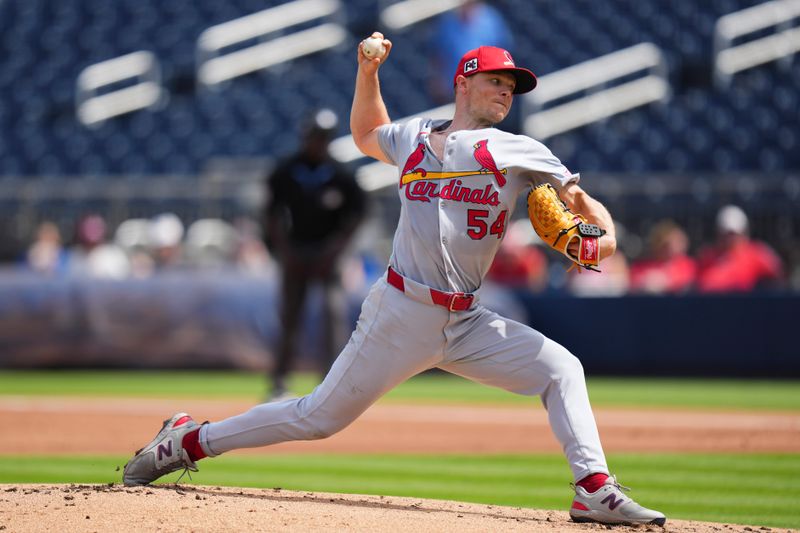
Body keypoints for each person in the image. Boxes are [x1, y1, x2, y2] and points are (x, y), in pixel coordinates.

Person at [122, 34, 666, 527]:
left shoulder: (521, 151)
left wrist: (598, 235)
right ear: (463, 83)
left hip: (468, 319)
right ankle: (188, 441)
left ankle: (593, 489)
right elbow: (363, 133)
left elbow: (585, 214)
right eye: (495, 81)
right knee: (317, 418)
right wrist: (367, 71)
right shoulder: (415, 136)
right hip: (402, 312)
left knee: (561, 368)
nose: (505, 92)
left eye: (511, 86)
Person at [263, 109, 367, 400]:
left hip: (328, 255)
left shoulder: (339, 173)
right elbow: (271, 214)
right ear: (305, 137)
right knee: (289, 318)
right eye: (315, 137)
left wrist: (335, 250)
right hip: (295, 251)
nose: (318, 144)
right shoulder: (287, 170)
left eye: (324, 139)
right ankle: (279, 382)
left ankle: (332, 382)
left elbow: (357, 214)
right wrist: (284, 251)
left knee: (333, 315)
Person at [428, 0, 513, 104]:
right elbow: (438, 55)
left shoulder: (491, 19)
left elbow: (503, 52)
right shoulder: (447, 22)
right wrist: (439, 81)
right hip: (455, 89)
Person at [696, 204, 783, 293]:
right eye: (726, 234)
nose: (729, 239)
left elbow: (777, 275)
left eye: (733, 234)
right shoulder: (707, 256)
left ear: (744, 233)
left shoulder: (756, 253)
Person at [629, 219, 696, 294]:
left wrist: (666, 280)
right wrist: (645, 281)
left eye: (676, 243)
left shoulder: (687, 264)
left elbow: (688, 282)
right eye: (665, 245)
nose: (670, 248)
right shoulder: (642, 264)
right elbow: (632, 282)